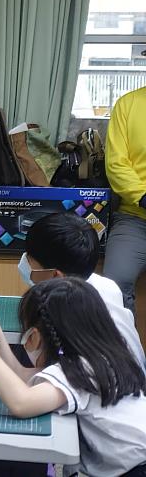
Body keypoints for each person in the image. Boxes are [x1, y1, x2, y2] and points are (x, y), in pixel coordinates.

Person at [0, 280, 146, 477]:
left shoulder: (80, 370)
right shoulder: (102, 358)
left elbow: (21, 403)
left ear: (35, 335)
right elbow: (19, 376)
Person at [0, 212, 145, 370]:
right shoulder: (104, 286)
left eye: (30, 259)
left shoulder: (66, 314)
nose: (24, 262)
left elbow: (24, 394)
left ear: (56, 276)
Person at [103, 85, 146, 316]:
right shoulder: (128, 104)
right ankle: (123, 351)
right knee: (114, 286)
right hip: (135, 220)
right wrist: (142, 196)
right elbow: (116, 164)